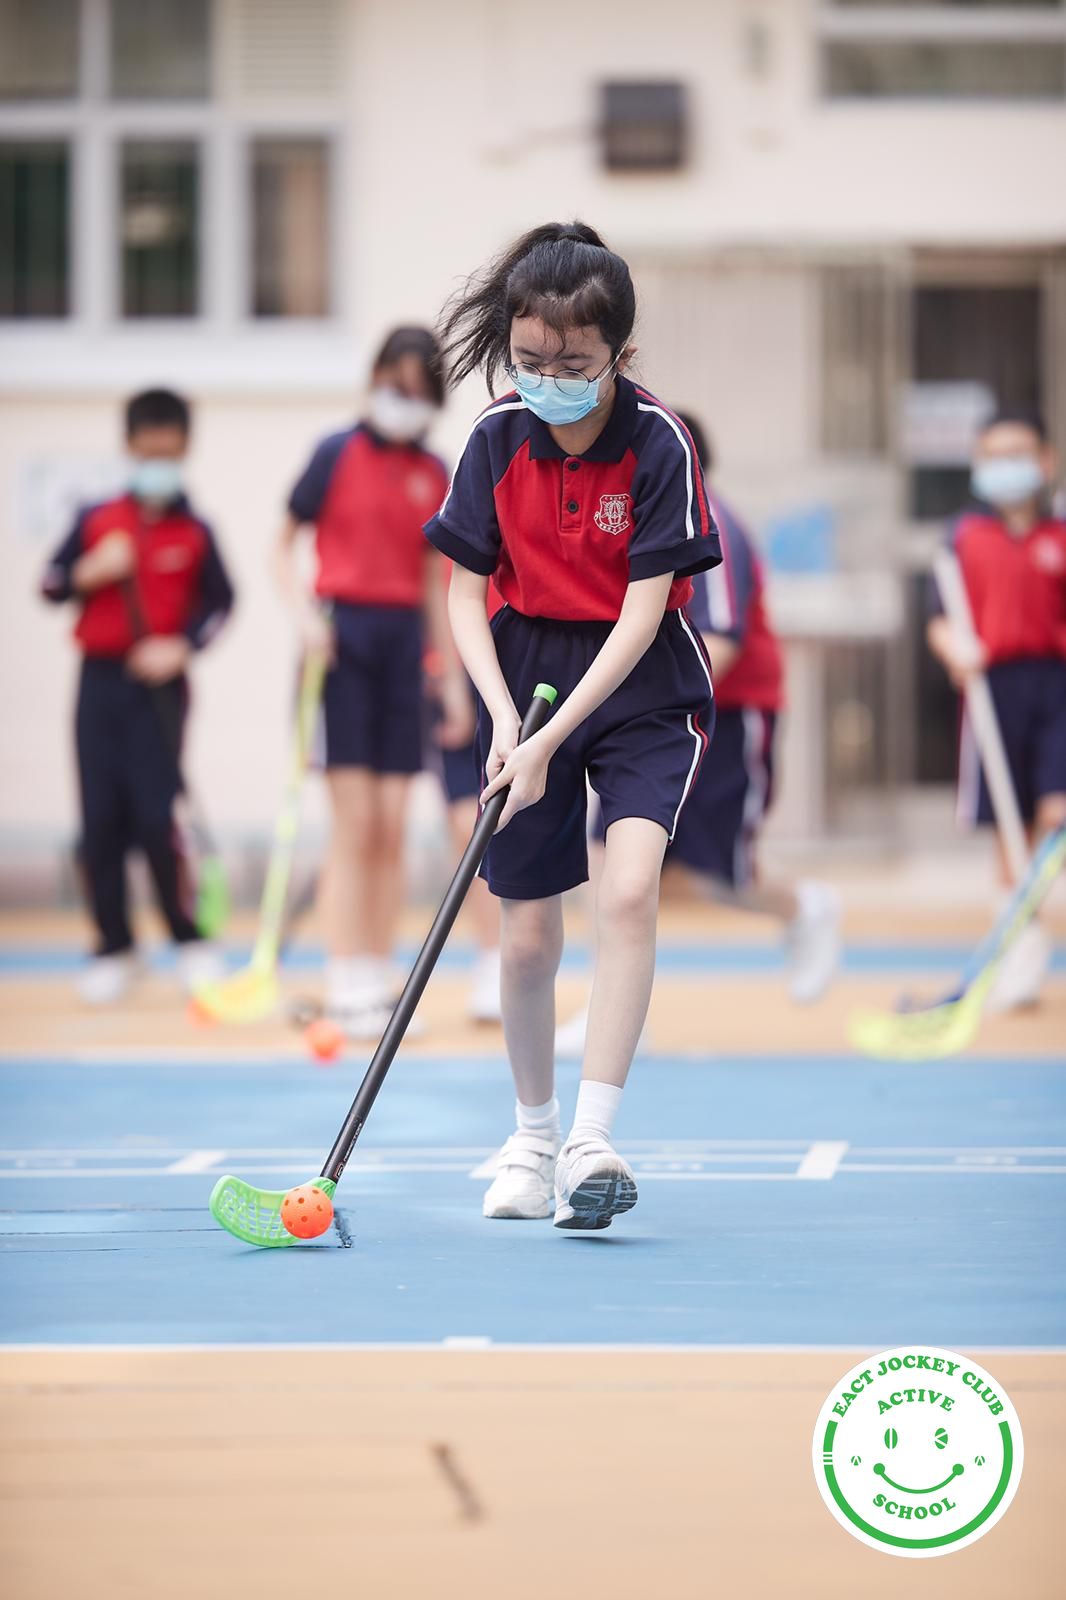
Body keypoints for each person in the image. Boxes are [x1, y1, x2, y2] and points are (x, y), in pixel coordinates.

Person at [426, 221, 720, 1230]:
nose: (547, 382)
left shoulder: (658, 442)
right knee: (524, 939)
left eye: (573, 366)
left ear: (619, 355)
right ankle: (532, 1136)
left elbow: (644, 614)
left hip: (639, 682)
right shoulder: (494, 438)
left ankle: (592, 1140)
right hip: (523, 673)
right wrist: (506, 720)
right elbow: (464, 595)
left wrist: (550, 741)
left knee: (628, 891)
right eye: (530, 361)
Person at [554, 412, 839, 1055]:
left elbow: (722, 639)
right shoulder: (628, 521)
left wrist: (642, 699)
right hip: (650, 720)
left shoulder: (716, 529)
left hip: (724, 714)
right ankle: (614, 1006)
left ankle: (804, 907)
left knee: (722, 873)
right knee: (606, 859)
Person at [278, 326, 466, 1034]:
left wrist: (451, 679)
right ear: (375, 379)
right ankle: (345, 975)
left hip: (403, 648)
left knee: (391, 827)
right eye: (396, 385)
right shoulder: (335, 453)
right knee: (354, 825)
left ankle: (378, 978)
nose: (404, 399)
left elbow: (435, 580)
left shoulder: (436, 472)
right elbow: (280, 545)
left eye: (419, 390)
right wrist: (304, 617)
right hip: (341, 642)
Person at [41, 387, 235, 1004]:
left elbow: (221, 603)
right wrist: (89, 571)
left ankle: (188, 938)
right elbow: (50, 583)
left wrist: (182, 646)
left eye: (169, 454)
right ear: (129, 447)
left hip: (162, 691)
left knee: (157, 816)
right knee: (101, 819)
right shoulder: (97, 520)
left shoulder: (195, 529)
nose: (159, 465)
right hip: (99, 684)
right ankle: (114, 947)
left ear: (184, 450)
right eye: (149, 453)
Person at [927, 408, 1066, 1010]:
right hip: (990, 690)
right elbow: (939, 619)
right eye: (993, 456)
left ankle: (1029, 947)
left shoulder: (1060, 534)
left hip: (1057, 687)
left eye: (1018, 453)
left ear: (1046, 461)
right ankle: (1021, 960)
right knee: (1010, 831)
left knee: (1055, 819)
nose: (1006, 466)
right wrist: (954, 649)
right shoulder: (962, 537)